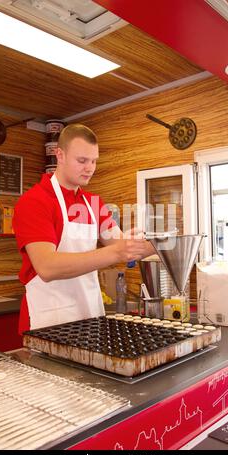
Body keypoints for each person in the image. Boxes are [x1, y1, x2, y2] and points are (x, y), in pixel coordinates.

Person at [13, 124, 154, 333]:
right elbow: (46, 267)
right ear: (59, 155)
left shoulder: (93, 203)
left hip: (89, 318)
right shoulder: (34, 202)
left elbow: (122, 244)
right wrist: (117, 251)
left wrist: (168, 244)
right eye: (82, 160)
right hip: (48, 324)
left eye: (94, 161)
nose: (90, 168)